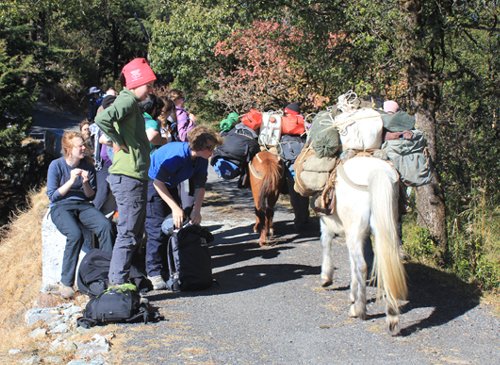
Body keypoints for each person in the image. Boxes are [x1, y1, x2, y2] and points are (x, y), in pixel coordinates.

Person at [94, 57, 156, 287]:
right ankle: (117, 285)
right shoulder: (127, 101)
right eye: (148, 85)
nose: (150, 90)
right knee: (128, 233)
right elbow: (102, 118)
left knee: (134, 233)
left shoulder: (131, 103)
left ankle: (126, 280)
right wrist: (118, 140)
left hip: (134, 175)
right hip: (127, 176)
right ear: (135, 83)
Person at [145, 125, 223, 289]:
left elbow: (200, 186)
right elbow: (158, 183)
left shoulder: (201, 159)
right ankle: (153, 273)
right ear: (200, 146)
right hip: (153, 186)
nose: (213, 152)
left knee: (174, 227)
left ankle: (170, 269)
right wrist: (175, 207)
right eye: (211, 148)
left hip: (170, 186)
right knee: (156, 229)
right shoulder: (177, 154)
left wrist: (197, 210)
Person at [46, 131, 114, 298]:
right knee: (75, 234)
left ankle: (107, 274)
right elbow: (52, 195)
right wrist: (70, 181)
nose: (84, 148)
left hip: (83, 205)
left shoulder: (87, 166)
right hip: (61, 207)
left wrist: (84, 183)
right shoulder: (57, 165)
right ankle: (66, 282)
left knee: (105, 226)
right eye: (79, 146)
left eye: (83, 144)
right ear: (68, 149)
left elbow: (90, 195)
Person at [281, 103, 310, 231]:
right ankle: (304, 217)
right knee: (302, 189)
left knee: (293, 190)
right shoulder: (303, 121)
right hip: (301, 157)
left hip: (287, 157)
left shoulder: (281, 121)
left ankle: (298, 218)